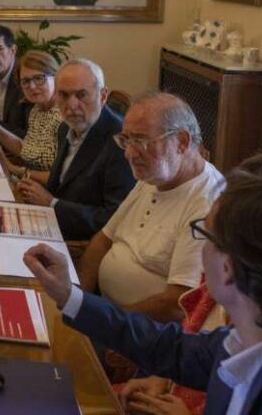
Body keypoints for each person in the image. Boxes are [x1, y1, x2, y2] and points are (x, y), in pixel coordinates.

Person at [24, 150, 262, 415]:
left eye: (204, 234)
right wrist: (68, 295)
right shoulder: (248, 337)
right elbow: (168, 346)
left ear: (228, 267)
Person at [77, 92, 224, 323]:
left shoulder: (206, 203)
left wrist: (102, 321)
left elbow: (178, 303)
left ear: (182, 142)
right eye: (126, 140)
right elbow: (102, 241)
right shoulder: (156, 175)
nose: (129, 153)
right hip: (104, 310)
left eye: (141, 141)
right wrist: (79, 302)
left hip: (137, 332)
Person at [17, 59, 135, 240]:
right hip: (51, 226)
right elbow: (61, 187)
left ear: (103, 96)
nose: (71, 105)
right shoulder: (65, 128)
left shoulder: (120, 142)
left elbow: (114, 219)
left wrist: (52, 204)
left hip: (81, 242)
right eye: (63, 95)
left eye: (81, 95)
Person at [0, 50, 62, 184]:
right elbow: (25, 148)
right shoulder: (37, 110)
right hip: (28, 183)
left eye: (39, 78)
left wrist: (12, 167)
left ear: (56, 78)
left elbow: (63, 178)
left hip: (46, 193)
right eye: (26, 81)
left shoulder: (66, 116)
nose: (32, 86)